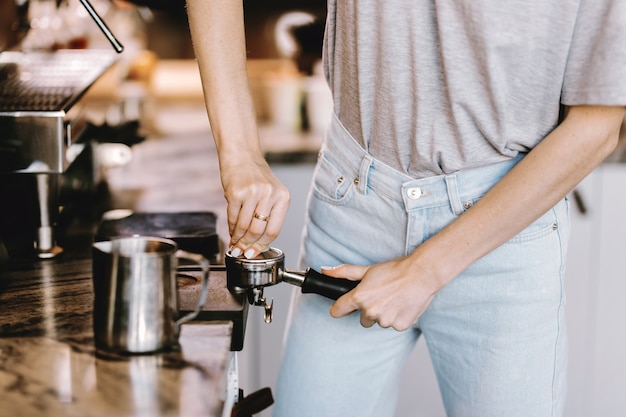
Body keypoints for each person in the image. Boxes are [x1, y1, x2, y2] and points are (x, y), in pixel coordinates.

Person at [186, 1, 626, 416]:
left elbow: (598, 125)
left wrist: (425, 270)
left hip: (505, 232)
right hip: (352, 205)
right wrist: (240, 153)